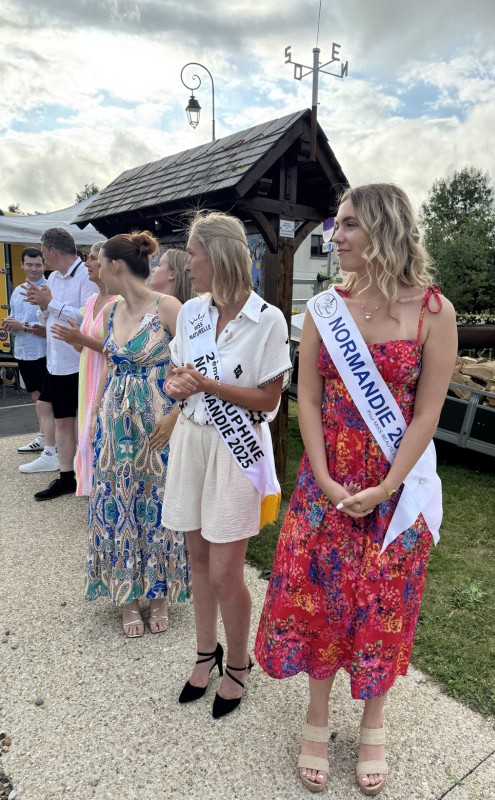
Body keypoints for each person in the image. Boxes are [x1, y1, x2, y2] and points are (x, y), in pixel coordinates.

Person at [255, 183, 457, 795]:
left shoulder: (434, 313)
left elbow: (427, 414)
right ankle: (316, 717)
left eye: (346, 226)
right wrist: (318, 474)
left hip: (397, 491)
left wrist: (391, 484)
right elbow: (307, 398)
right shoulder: (326, 309)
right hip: (329, 483)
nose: (333, 236)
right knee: (322, 598)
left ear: (383, 229)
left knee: (383, 607)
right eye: (334, 225)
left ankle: (373, 723)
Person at [161, 211, 291, 719]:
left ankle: (239, 663)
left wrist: (209, 385)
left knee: (225, 572)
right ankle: (204, 651)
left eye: (192, 254)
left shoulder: (268, 319)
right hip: (193, 441)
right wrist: (176, 385)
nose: (187, 264)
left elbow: (266, 398)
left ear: (217, 256)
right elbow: (178, 372)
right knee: (196, 561)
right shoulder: (193, 312)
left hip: (235, 452)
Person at [85, 230, 190, 638]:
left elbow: (197, 368)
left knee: (158, 503)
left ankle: (159, 593)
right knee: (116, 502)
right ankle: (127, 595)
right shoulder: (111, 310)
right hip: (114, 426)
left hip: (158, 425)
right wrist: (98, 413)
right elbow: (112, 364)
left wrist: (176, 414)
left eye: (99, 263)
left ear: (116, 265)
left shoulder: (169, 307)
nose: (96, 271)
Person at [22, 228, 97, 498]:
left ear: (53, 251)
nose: (43, 260)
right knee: (62, 421)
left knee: (85, 423)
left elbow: (87, 317)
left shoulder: (87, 277)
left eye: (43, 254)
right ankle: (66, 477)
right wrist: (43, 307)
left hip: (80, 362)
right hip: (56, 362)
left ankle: (89, 476)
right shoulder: (53, 277)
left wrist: (50, 302)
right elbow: (48, 319)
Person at [51, 241, 118, 496]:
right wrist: (72, 338)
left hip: (107, 375)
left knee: (101, 432)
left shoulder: (119, 302)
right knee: (86, 433)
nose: (87, 263)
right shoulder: (91, 301)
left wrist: (79, 338)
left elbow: (119, 349)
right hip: (87, 374)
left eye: (92, 258)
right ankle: (92, 488)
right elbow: (83, 348)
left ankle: (106, 489)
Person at [2, 248, 57, 469]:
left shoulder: (49, 290)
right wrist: (11, 323)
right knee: (36, 397)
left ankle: (52, 447)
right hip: (24, 352)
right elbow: (16, 319)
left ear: (43, 265)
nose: (34, 269)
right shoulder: (17, 291)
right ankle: (44, 437)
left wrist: (21, 326)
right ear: (22, 265)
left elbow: (51, 328)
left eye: (38, 265)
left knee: (47, 401)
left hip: (45, 352)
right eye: (29, 264)